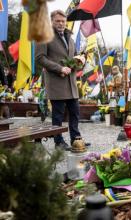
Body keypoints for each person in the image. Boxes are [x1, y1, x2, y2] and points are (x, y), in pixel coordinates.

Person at [36, 10, 83, 151]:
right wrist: (59, 68)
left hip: (71, 84)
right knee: (58, 115)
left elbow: (74, 57)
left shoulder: (70, 37)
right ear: (52, 21)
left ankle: (76, 139)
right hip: (57, 83)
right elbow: (40, 58)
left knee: (75, 112)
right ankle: (59, 142)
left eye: (63, 21)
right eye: (58, 21)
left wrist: (80, 60)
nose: (61, 23)